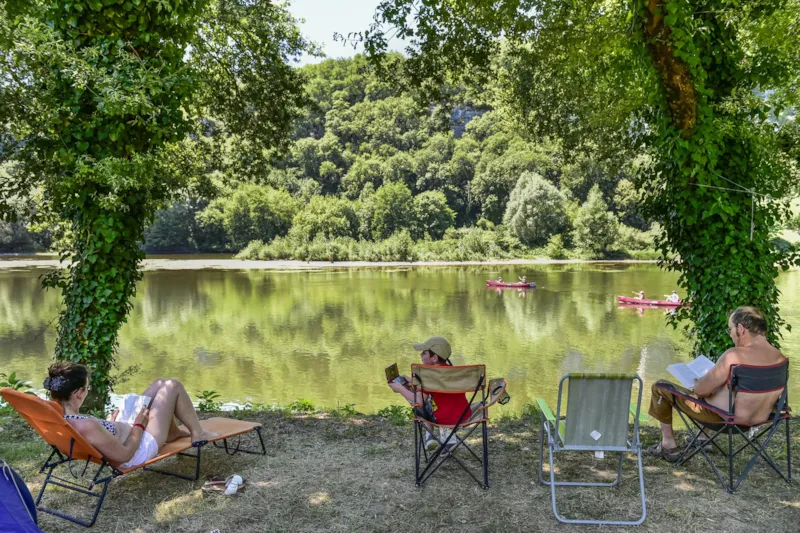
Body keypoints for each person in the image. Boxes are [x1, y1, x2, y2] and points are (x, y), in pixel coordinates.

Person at [646, 306, 787, 462]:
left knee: (660, 387)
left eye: (730, 329)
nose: (731, 335)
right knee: (720, 387)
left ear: (740, 329)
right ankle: (702, 437)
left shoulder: (734, 356)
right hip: (759, 419)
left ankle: (668, 445)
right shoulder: (780, 358)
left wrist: (701, 382)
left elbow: (700, 391)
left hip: (727, 421)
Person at [44, 362, 219, 469]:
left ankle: (172, 433)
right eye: (86, 388)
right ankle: (198, 433)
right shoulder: (85, 425)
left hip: (124, 432)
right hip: (138, 448)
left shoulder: (60, 418)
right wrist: (139, 425)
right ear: (79, 393)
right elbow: (125, 455)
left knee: (160, 383)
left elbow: (96, 436)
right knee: (172, 386)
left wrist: (108, 424)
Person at [387, 337, 471, 451]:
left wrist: (400, 389)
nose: (421, 355)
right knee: (431, 401)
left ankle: (430, 437)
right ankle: (448, 440)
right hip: (464, 415)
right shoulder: (454, 372)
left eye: (424, 353)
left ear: (435, 358)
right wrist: (414, 383)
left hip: (444, 419)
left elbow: (418, 402)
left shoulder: (429, 376)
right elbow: (437, 387)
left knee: (421, 407)